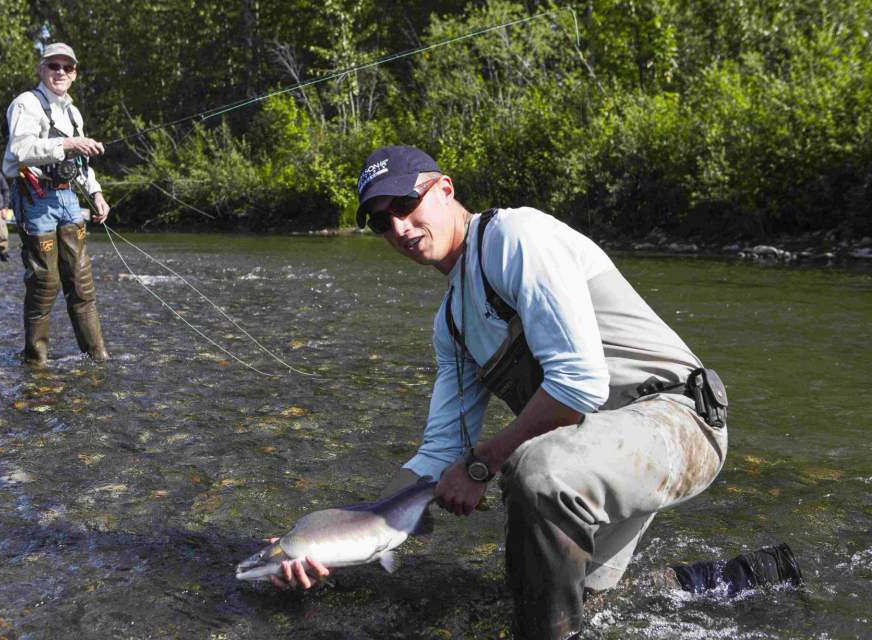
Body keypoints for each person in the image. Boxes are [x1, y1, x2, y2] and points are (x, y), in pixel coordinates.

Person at [274, 146, 731, 639]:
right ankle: (749, 578)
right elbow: (438, 452)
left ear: (445, 189)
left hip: (679, 422)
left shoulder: (515, 236)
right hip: (595, 457)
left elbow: (579, 382)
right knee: (584, 613)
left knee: (534, 473)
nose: (399, 228)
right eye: (381, 223)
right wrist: (325, 537)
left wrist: (482, 464)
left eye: (405, 205)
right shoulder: (451, 323)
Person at [3, 42, 110, 365]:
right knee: (45, 281)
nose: (60, 72)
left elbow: (81, 164)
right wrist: (67, 143)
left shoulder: (73, 111)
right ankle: (36, 360)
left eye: (67, 67)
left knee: (81, 282)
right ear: (41, 69)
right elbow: (20, 151)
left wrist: (96, 194)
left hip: (68, 197)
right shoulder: (26, 103)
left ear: (75, 74)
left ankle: (97, 357)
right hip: (34, 196)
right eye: (54, 66)